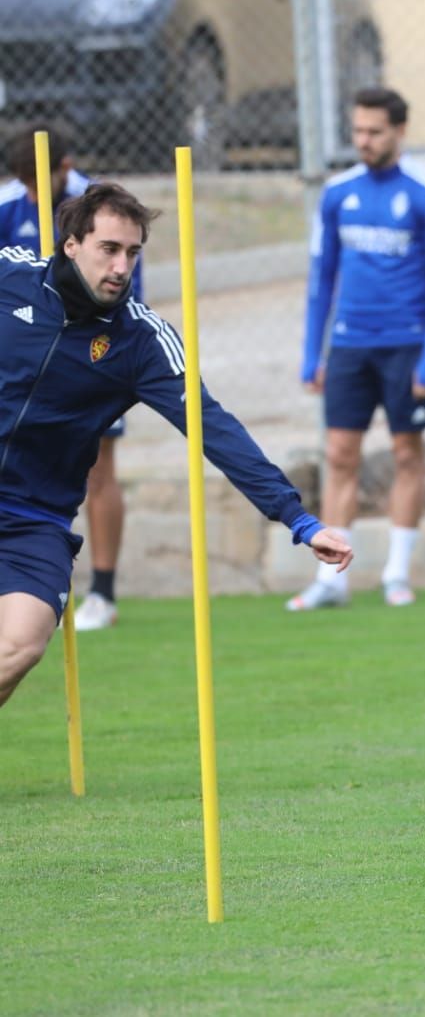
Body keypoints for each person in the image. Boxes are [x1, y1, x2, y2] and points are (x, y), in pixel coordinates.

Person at [0, 183, 352, 712]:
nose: (123, 266)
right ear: (71, 244)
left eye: (133, 252)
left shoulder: (141, 342)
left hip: (35, 518)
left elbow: (216, 429)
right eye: (110, 249)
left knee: (20, 645)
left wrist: (299, 520)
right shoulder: (11, 274)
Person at [290, 87, 425, 611]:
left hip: (405, 345)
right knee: (340, 455)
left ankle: (396, 573)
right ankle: (332, 580)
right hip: (348, 346)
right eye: (358, 131)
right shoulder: (338, 194)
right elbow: (322, 277)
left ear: (399, 132)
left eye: (374, 132)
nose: (363, 140)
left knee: (408, 454)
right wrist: (311, 352)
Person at [1, 125, 133, 630]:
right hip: (26, 368)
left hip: (91, 357)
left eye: (41, 183)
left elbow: (123, 288)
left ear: (63, 167)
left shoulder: (100, 211)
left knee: (99, 468)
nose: (34, 196)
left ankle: (102, 588)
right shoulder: (9, 208)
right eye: (26, 186)